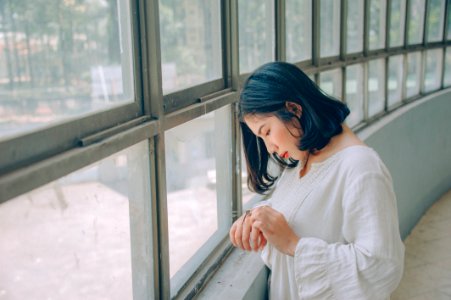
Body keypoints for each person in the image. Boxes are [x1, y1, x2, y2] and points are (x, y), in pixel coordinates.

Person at [229, 62, 405, 299]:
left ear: (293, 109)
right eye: (261, 138)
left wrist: (294, 245)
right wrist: (259, 220)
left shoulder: (362, 168)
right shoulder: (304, 158)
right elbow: (306, 213)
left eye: (267, 132)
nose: (269, 147)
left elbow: (382, 267)